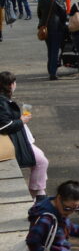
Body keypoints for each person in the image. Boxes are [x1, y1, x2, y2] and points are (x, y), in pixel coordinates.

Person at [0, 71, 49, 199]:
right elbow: (4, 125)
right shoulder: (2, 102)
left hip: (19, 138)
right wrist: (22, 120)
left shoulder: (4, 99)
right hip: (12, 141)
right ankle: (36, 194)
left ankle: (39, 192)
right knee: (41, 161)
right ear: (11, 85)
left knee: (41, 160)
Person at [24, 180, 79, 251]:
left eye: (76, 208)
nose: (71, 212)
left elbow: (69, 226)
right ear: (58, 198)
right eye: (67, 208)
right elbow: (32, 241)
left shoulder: (60, 212)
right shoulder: (46, 219)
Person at [37, 0, 68, 81]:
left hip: (45, 28)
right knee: (55, 50)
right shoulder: (58, 0)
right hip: (56, 28)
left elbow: (39, 15)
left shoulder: (41, 1)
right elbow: (63, 15)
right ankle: (52, 73)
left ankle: (50, 70)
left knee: (50, 50)